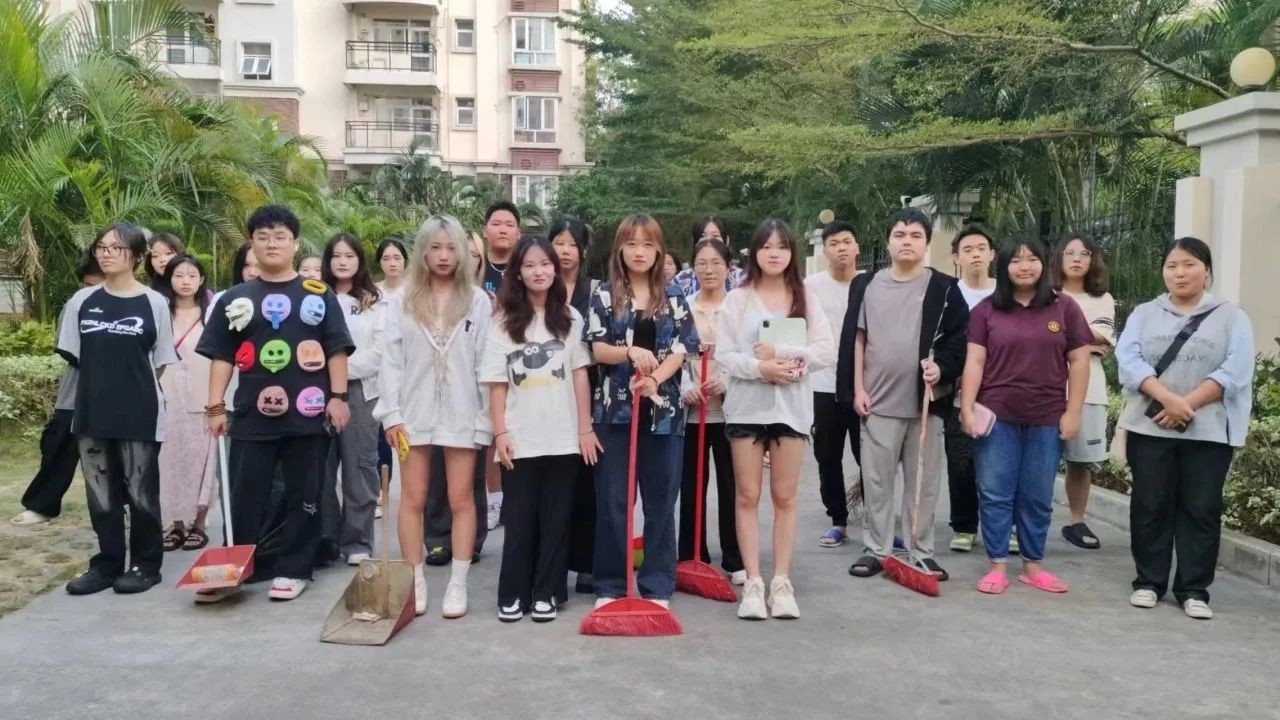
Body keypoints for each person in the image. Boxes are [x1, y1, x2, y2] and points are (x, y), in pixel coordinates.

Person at [196, 205, 354, 603]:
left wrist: (338, 398)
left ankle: (294, 568)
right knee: (244, 496)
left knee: (305, 495)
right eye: (263, 237)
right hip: (251, 417)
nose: (271, 244)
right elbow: (221, 355)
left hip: (308, 415)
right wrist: (215, 407)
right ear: (251, 243)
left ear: (295, 244)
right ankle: (236, 569)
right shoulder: (236, 298)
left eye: (280, 236)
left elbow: (336, 349)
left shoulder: (318, 295)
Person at [1117, 237, 1254, 620]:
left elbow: (1236, 369)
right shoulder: (1144, 313)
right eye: (1172, 265)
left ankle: (1193, 589)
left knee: (1201, 508)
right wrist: (1168, 399)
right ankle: (1149, 582)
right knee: (1150, 505)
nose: (1180, 273)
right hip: (1150, 429)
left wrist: (1187, 404)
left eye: (1189, 264)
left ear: (1207, 270)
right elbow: (1129, 360)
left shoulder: (1232, 316)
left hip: (1209, 431)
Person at [839, 209, 968, 583]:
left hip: (926, 404)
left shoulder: (945, 288)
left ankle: (920, 552)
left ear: (926, 243)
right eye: (899, 234)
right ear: (888, 241)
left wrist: (941, 368)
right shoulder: (866, 285)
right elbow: (857, 338)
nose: (907, 241)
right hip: (877, 403)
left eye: (915, 235)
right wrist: (858, 389)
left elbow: (959, 340)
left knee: (922, 484)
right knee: (877, 482)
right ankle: (876, 550)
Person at [717, 220, 834, 619]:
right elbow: (724, 355)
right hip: (747, 408)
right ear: (754, 252)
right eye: (766, 246)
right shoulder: (738, 299)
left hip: (791, 410)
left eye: (781, 246)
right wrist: (759, 369)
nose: (774, 253)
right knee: (747, 496)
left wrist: (781, 352)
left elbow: (825, 352)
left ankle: (781, 582)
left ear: (791, 253)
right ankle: (753, 582)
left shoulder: (805, 297)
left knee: (785, 497)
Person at [961, 239, 1091, 595]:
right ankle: (997, 565)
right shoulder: (986, 310)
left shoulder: (1064, 308)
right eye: (1015, 260)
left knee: (1036, 494)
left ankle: (1033, 566)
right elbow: (975, 362)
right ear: (1003, 267)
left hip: (1047, 417)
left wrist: (1073, 411)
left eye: (1032, 259)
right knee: (995, 492)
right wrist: (967, 408)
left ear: (1044, 264)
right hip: (997, 416)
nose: (1024, 266)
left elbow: (1079, 361)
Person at [378, 214, 491, 619]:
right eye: (435, 248)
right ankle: (416, 581)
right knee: (413, 498)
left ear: (462, 253)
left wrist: (484, 420)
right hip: (413, 412)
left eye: (450, 248)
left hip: (462, 412)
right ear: (422, 252)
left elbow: (485, 363)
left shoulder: (477, 300)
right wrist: (391, 415)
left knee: (461, 498)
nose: (443, 256)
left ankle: (458, 583)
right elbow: (390, 361)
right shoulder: (402, 299)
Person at [586, 214, 699, 610]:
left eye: (648, 244)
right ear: (619, 249)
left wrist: (655, 379)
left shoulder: (674, 295)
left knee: (661, 502)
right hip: (614, 412)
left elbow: (683, 348)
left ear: (659, 251)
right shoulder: (604, 294)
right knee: (614, 501)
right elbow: (598, 349)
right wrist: (630, 352)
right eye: (631, 243)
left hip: (664, 414)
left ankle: (657, 585)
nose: (639, 252)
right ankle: (612, 584)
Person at [483, 236, 599, 622]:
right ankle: (513, 593)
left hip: (563, 437)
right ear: (518, 272)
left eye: (545, 264)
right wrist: (500, 434)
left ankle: (548, 592)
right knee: (519, 520)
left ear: (555, 269)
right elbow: (496, 383)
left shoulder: (569, 318)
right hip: (520, 437)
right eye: (530, 265)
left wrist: (584, 429)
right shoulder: (502, 322)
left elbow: (580, 375)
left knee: (556, 519)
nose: (539, 272)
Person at [59, 223, 179, 595]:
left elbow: (160, 359)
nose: (106, 253)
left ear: (138, 256)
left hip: (140, 412)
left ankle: (146, 565)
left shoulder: (154, 303)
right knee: (101, 494)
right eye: (101, 247)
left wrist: (131, 386)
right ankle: (107, 565)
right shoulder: (81, 302)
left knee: (141, 494)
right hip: (92, 412)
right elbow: (76, 357)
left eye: (116, 247)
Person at [11, 253, 104, 526]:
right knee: (59, 449)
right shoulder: (75, 305)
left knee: (112, 455)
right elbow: (66, 347)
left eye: (97, 285)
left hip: (115, 396)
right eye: (87, 285)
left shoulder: (131, 303)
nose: (91, 290)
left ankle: (116, 506)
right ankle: (42, 506)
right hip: (75, 394)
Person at [677, 238, 745, 586]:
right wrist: (684, 386)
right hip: (692, 413)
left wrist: (727, 380)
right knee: (692, 486)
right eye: (702, 263)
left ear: (728, 268)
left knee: (733, 486)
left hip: (730, 412)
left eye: (716, 263)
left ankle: (735, 555)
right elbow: (671, 353)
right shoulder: (683, 307)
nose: (709, 270)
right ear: (693, 268)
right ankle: (692, 555)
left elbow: (747, 354)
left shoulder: (738, 308)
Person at [319, 234, 384, 565]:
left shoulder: (375, 302)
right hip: (318, 392)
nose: (343, 262)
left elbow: (379, 352)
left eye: (349, 255)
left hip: (361, 392)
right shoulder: (315, 297)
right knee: (321, 468)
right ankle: (326, 539)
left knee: (360, 468)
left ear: (360, 260)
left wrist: (339, 370)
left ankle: (357, 541)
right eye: (336, 256)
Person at [1053, 234, 1116, 550]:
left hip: (1090, 391)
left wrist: (1061, 332)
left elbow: (1102, 339)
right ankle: (1024, 524)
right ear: (1059, 258)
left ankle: (1076, 522)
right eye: (1070, 252)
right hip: (1047, 388)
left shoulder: (1103, 299)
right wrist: (1083, 343)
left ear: (1093, 260)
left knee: (1080, 462)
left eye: (1084, 253)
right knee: (1038, 460)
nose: (1077, 258)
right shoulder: (1044, 295)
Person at [549, 215, 599, 594]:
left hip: (587, 394)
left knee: (586, 481)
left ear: (582, 250)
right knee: (552, 483)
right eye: (559, 243)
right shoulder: (536, 287)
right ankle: (551, 565)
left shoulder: (595, 292)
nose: (565, 251)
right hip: (545, 395)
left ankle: (585, 562)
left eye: (572, 244)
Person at [805, 221, 862, 549]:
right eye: (834, 243)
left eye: (847, 241)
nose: (841, 248)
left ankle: (877, 520)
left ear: (857, 247)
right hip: (822, 385)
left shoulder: (870, 284)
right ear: (824, 250)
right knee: (828, 456)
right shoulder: (810, 286)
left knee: (870, 457)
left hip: (863, 385)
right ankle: (838, 520)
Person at [158, 255, 217, 553]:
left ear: (201, 280)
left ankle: (199, 524)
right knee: (169, 461)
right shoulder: (160, 313)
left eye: (192, 275)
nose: (185, 281)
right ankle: (176, 524)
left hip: (202, 398)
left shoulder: (211, 315)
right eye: (179, 275)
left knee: (201, 460)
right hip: (167, 397)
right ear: (169, 279)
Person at [945, 225, 998, 553]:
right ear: (956, 258)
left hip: (1000, 390)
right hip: (958, 391)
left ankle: (1004, 526)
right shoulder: (948, 295)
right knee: (960, 460)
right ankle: (964, 525)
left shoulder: (1006, 294)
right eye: (968, 249)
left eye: (981, 248)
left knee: (1000, 462)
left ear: (992, 254)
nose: (975, 254)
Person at [373, 237, 408, 515]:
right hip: (376, 370)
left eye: (397, 257)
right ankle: (382, 491)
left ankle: (413, 490)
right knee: (382, 435)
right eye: (387, 258)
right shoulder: (371, 293)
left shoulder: (414, 292)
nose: (392, 263)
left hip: (409, 370)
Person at [673, 216, 745, 295]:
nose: (709, 240)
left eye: (715, 236)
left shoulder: (742, 278)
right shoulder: (681, 279)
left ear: (726, 240)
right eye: (703, 236)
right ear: (694, 241)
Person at [481, 200, 521, 297]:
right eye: (496, 224)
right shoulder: (476, 265)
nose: (503, 230)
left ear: (518, 234)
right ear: (485, 231)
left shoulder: (525, 266)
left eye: (509, 225)